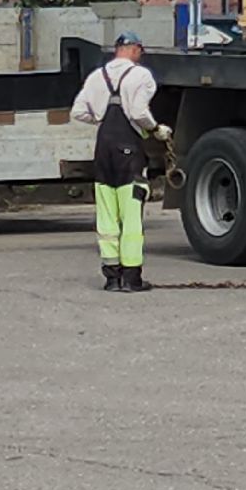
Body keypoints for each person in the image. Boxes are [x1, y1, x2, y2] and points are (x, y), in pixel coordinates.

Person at [72, 31, 172, 293]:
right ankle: (132, 278)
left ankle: (112, 277)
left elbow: (78, 112)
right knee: (131, 216)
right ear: (135, 49)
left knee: (106, 213)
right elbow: (139, 112)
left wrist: (100, 118)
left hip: (103, 148)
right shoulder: (141, 76)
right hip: (129, 148)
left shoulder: (96, 77)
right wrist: (155, 130)